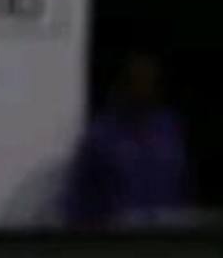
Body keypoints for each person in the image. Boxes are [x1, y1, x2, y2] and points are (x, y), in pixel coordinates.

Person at [62, 52, 191, 229]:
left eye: (149, 82)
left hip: (168, 233)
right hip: (118, 237)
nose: (144, 89)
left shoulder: (168, 129)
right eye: (137, 82)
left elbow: (183, 184)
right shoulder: (101, 136)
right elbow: (78, 200)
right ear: (123, 86)